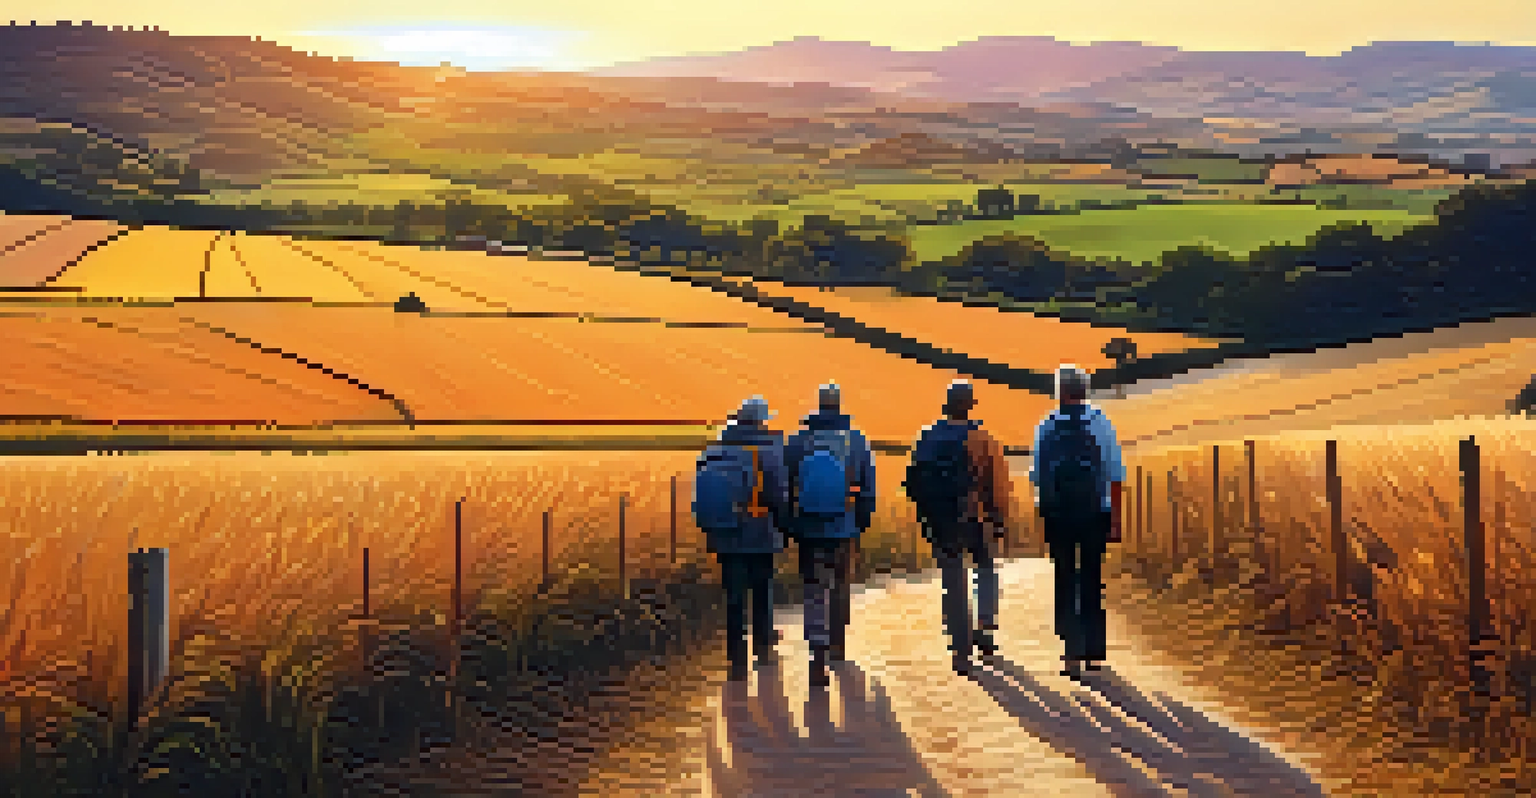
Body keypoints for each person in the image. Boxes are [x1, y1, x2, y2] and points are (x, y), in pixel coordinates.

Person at [904, 380, 1014, 675]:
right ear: (971, 406)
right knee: (986, 567)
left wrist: (928, 515)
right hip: (976, 517)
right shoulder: (982, 438)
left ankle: (960, 648)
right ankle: (986, 627)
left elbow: (913, 482)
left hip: (942, 519)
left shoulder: (926, 437)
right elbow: (998, 485)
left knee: (953, 579)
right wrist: (999, 519)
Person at [1030, 364, 1125, 678]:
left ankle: (1071, 652)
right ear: (1084, 390)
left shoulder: (1046, 425)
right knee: (1091, 578)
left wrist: (1045, 511)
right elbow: (1115, 473)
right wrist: (1115, 518)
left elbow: (1038, 477)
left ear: (1059, 392)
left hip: (1058, 513)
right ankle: (1094, 652)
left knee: (1065, 578)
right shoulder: (1100, 423)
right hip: (1095, 510)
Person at [785, 382, 875, 688]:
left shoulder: (799, 440)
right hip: (844, 525)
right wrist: (861, 523)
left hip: (809, 526)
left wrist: (792, 525)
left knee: (813, 588)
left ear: (819, 404)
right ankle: (837, 645)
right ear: (839, 405)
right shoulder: (856, 440)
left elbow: (784, 485)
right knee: (839, 585)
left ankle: (816, 650)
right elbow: (868, 487)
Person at [694, 395, 789, 682]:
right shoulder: (769, 452)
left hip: (725, 533)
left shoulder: (713, 452)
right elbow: (778, 495)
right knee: (762, 593)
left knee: (734, 598)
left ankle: (736, 659)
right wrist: (784, 528)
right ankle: (763, 650)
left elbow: (700, 498)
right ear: (760, 421)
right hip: (760, 532)